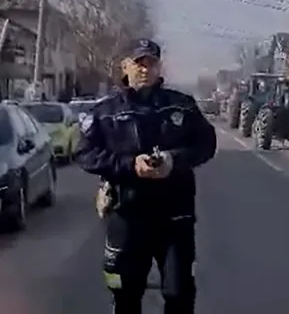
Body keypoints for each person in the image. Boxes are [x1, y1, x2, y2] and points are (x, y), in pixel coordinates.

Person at [76, 39, 217, 314]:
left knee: (179, 294)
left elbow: (206, 145)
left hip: (175, 217)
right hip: (127, 215)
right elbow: (85, 154)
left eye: (151, 63)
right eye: (139, 63)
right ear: (125, 66)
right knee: (125, 294)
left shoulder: (182, 106)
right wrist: (130, 165)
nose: (145, 70)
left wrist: (173, 160)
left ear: (159, 67)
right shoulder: (105, 111)